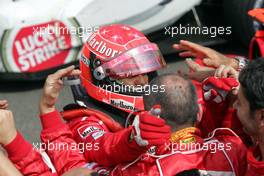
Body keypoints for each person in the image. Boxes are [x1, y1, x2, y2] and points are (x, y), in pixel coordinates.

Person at [39, 24, 171, 170]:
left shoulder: (159, 102)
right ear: (102, 78)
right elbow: (104, 147)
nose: (142, 81)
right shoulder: (84, 123)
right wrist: (132, 138)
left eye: (146, 71)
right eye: (130, 74)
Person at [110, 74, 247, 176]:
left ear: (152, 117)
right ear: (198, 113)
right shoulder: (234, 149)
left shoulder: (136, 170)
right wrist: (226, 106)